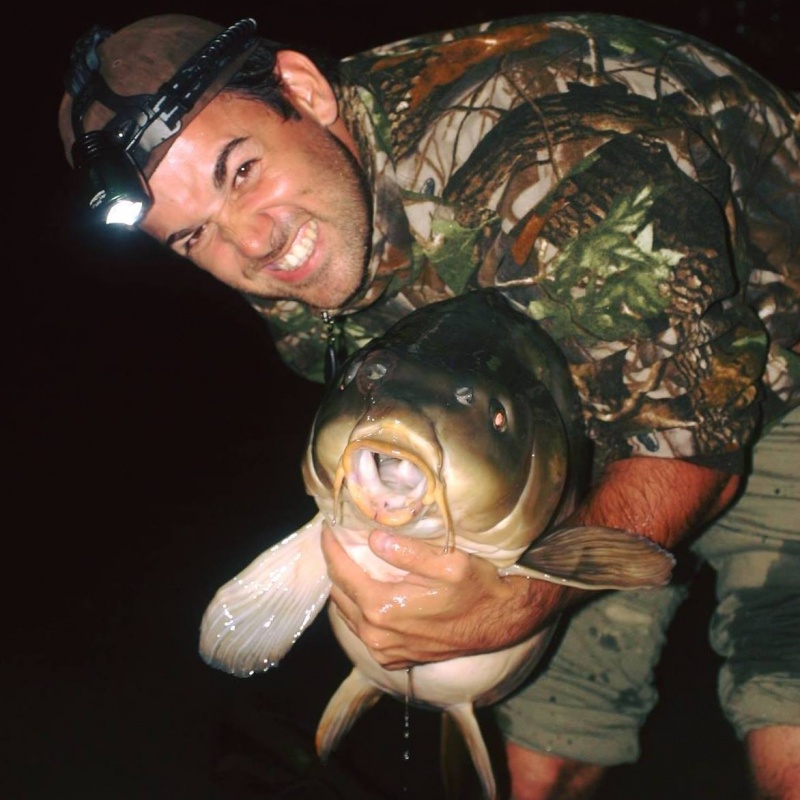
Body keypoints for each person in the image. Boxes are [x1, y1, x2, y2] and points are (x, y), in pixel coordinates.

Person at [57, 12, 799, 799]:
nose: (251, 243)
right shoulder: (295, 241)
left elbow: (693, 449)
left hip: (773, 356)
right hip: (562, 409)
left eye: (240, 171)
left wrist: (524, 598)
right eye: (193, 237)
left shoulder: (560, 153)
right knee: (540, 766)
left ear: (302, 90)